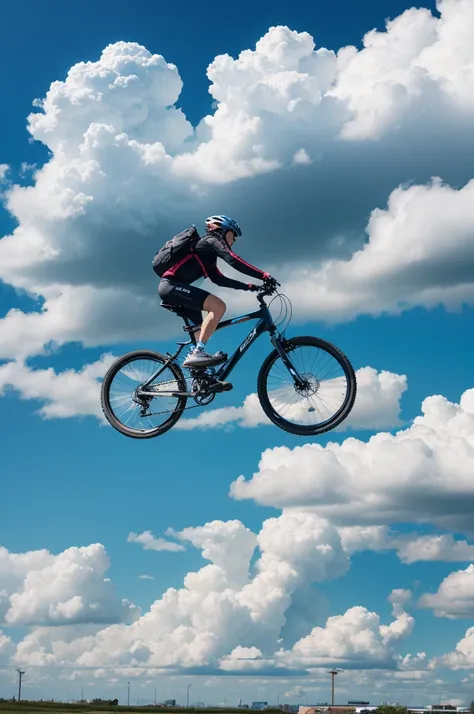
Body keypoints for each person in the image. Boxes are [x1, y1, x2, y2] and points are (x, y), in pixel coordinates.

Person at [158, 215, 276, 368]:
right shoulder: (210, 241)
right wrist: (263, 275)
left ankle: (199, 375)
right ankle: (197, 352)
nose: (233, 241)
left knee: (201, 330)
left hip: (175, 289)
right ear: (223, 231)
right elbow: (233, 259)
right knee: (218, 307)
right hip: (170, 286)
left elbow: (220, 280)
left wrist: (250, 286)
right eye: (233, 236)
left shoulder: (209, 257)